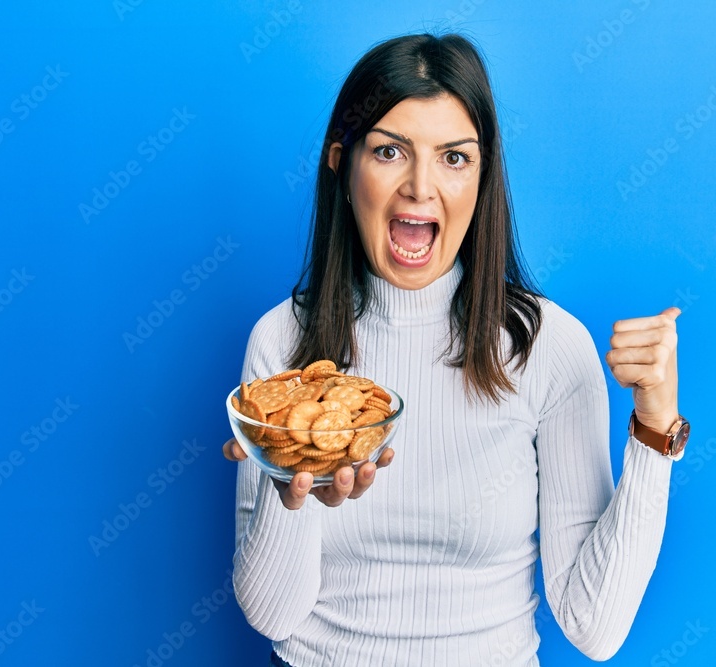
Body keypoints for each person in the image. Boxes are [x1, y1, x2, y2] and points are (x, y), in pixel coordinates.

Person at [223, 32, 689, 667]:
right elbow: (270, 613)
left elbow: (593, 627)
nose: (420, 187)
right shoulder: (281, 346)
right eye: (389, 151)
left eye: (454, 157)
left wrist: (654, 429)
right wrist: (290, 487)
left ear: (484, 174)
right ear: (342, 161)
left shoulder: (548, 348)